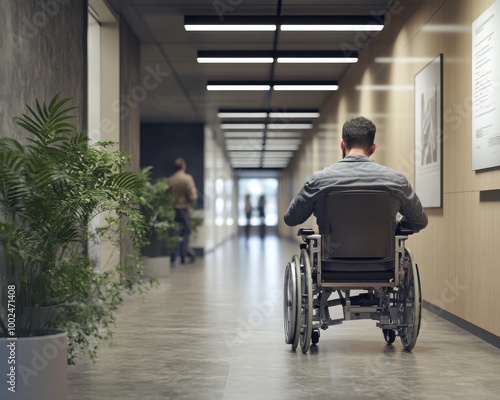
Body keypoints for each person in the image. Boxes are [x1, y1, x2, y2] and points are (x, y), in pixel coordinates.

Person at [284, 116, 428, 235]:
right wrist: (394, 227)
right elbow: (419, 221)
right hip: (384, 264)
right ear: (372, 148)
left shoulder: (318, 180)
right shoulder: (396, 180)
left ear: (342, 144)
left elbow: (291, 219)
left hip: (330, 264)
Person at [168, 158, 198, 264]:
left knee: (174, 233)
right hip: (183, 209)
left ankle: (172, 256)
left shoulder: (170, 179)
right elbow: (193, 196)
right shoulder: (187, 178)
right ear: (183, 167)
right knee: (185, 232)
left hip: (172, 210)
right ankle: (183, 255)